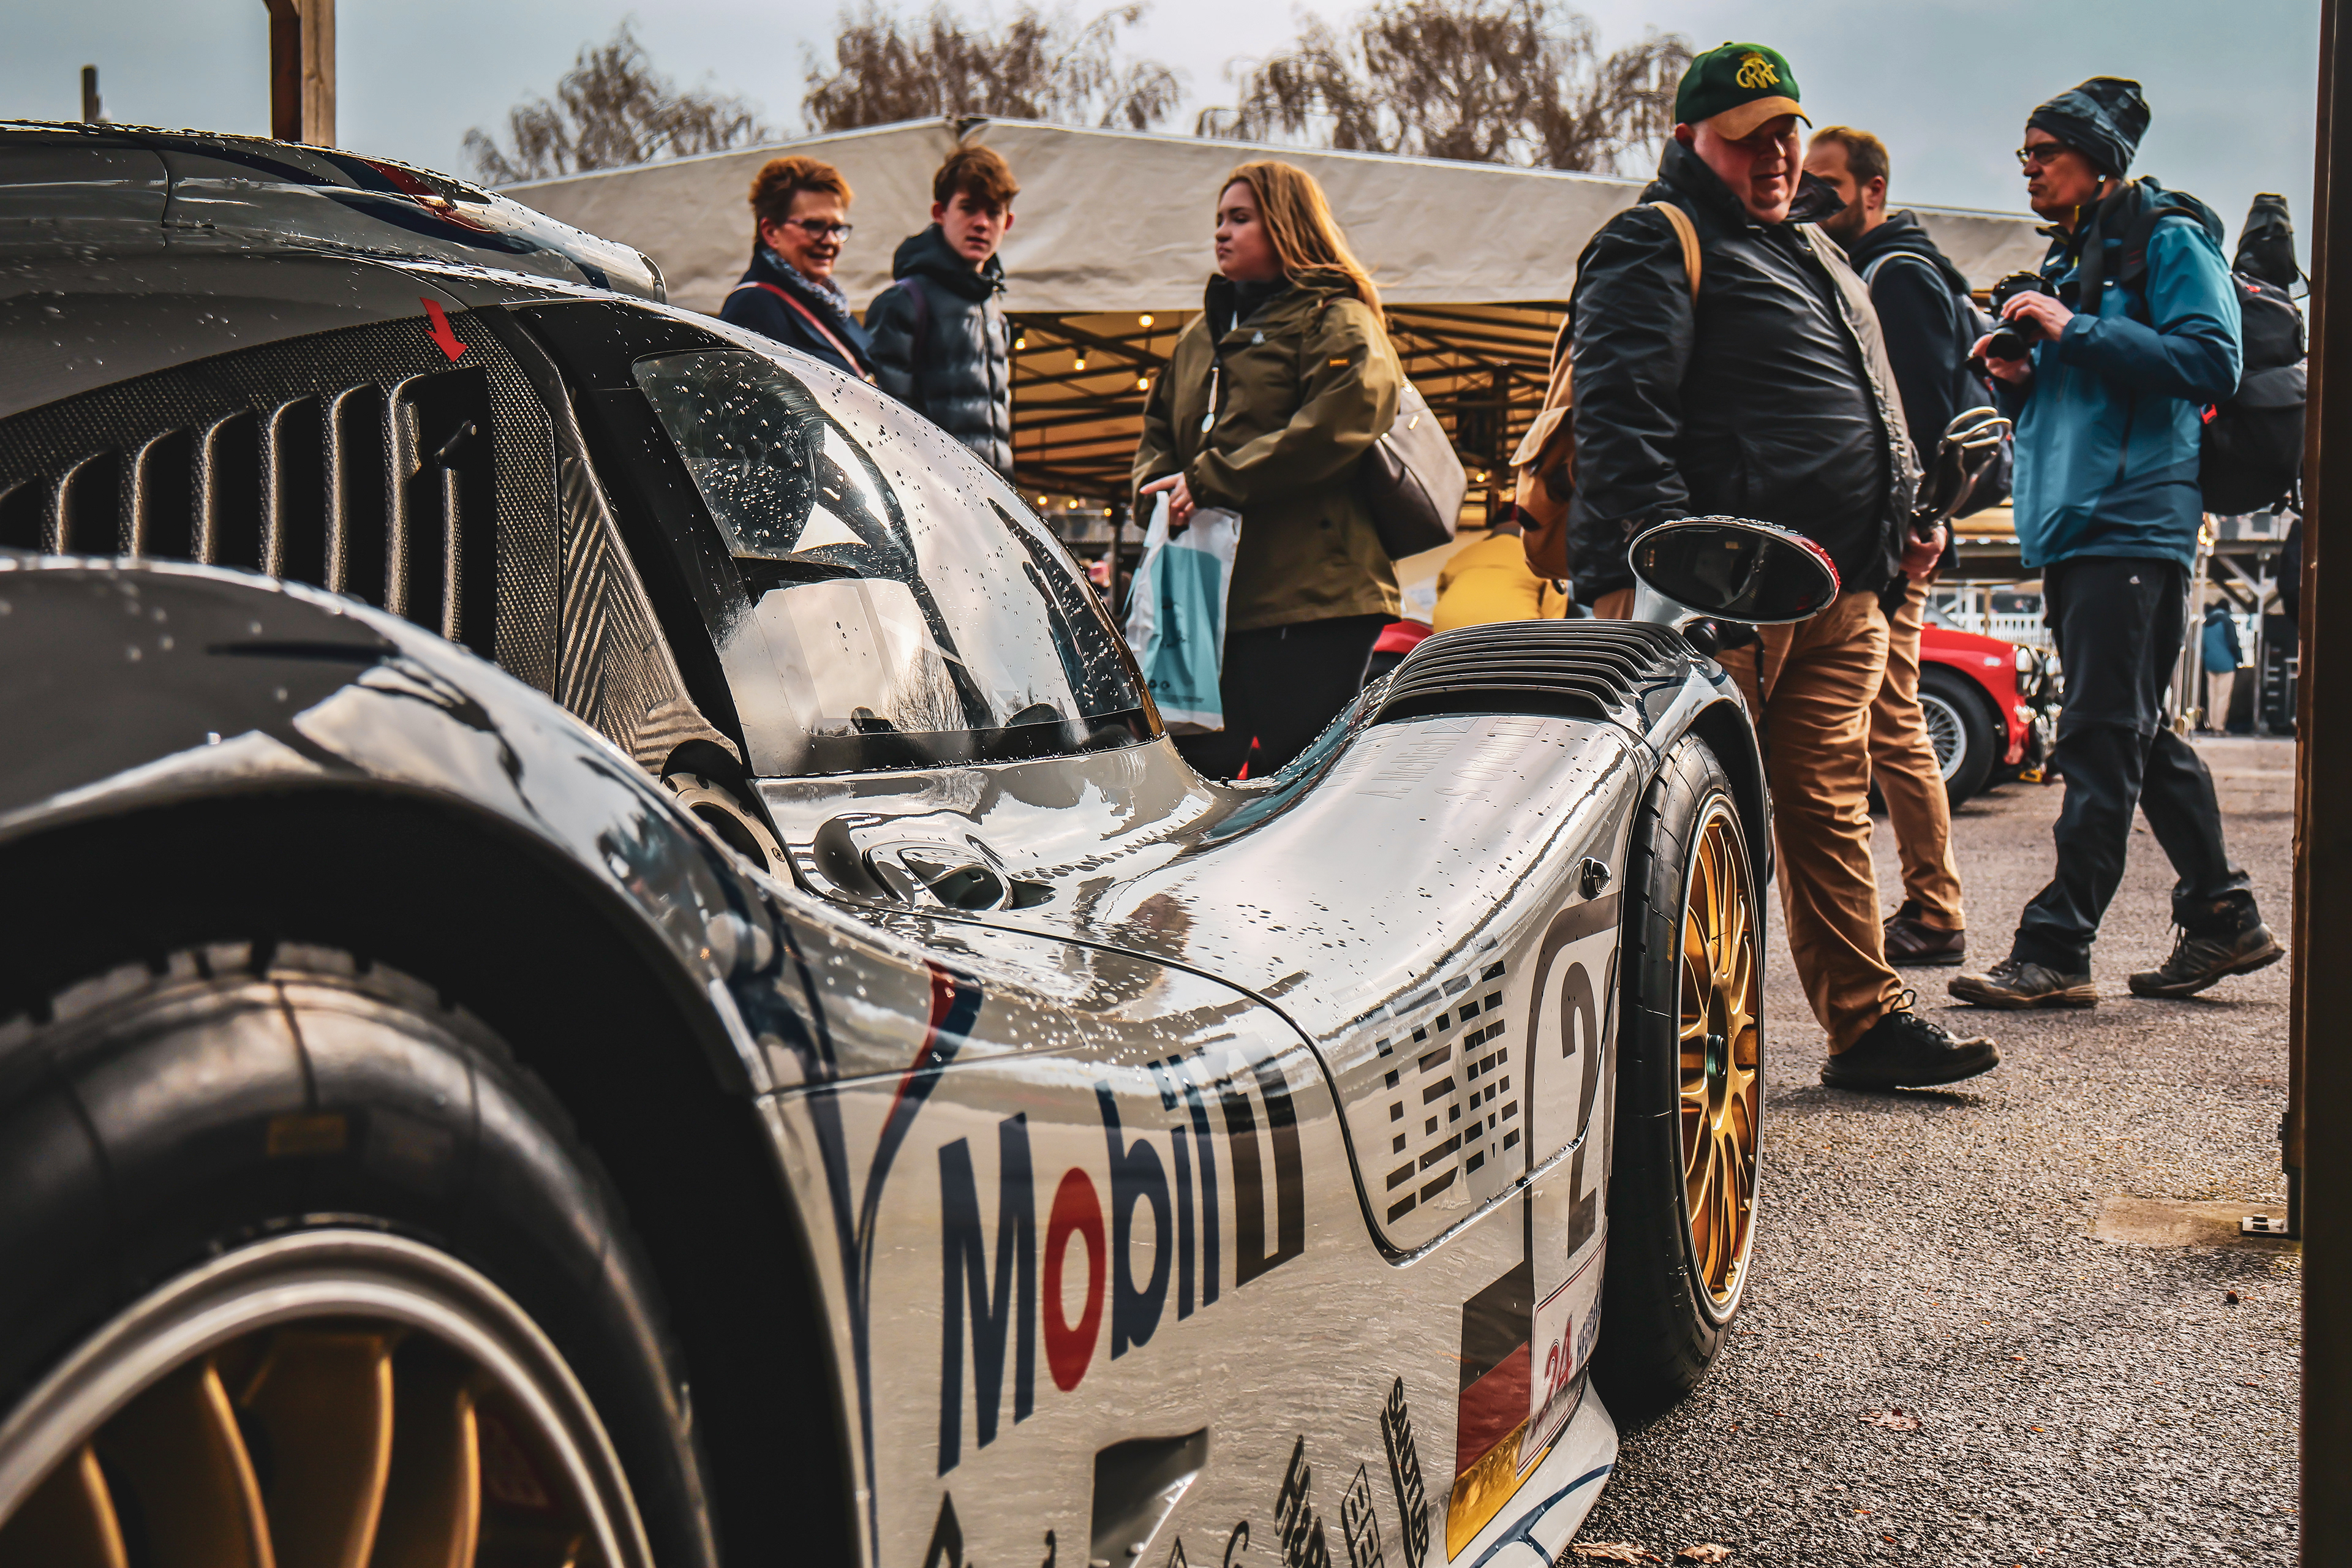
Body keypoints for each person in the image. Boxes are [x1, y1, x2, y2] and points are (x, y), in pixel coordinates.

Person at [1567, 41, 1997, 1090]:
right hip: (1722, 596)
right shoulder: (1654, 239)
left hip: (1837, 590)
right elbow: (1619, 422)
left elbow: (1876, 408)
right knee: (1681, 823)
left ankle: (1866, 1021)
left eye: (1787, 134)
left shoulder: (1813, 250)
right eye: (1748, 138)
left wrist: (1905, 524)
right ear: (1690, 139)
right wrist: (1683, 575)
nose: (1775, 155)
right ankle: (1650, 1054)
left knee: (1827, 807)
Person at [1950, 77, 2282, 1008]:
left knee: (2100, 735)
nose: (2028, 167)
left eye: (2045, 152)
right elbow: (2084, 391)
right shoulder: (2070, 260)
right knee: (2135, 729)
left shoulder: (2167, 237)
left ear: (2099, 161)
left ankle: (2057, 947)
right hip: (2075, 523)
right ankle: (2223, 916)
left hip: (2134, 522)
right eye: (2023, 153)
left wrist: (2073, 326)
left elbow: (2212, 360)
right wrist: (2021, 373)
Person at [1130, 160, 1402, 781]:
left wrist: (1210, 479)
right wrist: (1158, 489)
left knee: (1302, 780)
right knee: (1194, 776)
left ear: (1286, 224)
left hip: (1313, 601)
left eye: (1240, 218)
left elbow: (1343, 417)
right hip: (1205, 596)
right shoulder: (1197, 338)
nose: (1221, 232)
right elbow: (1156, 431)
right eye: (1219, 219)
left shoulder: (1335, 317)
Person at [1805, 124, 1981, 969]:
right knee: (1890, 715)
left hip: (1893, 544)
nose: (1812, 196)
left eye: (1829, 183)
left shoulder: (1897, 274)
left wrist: (1915, 526)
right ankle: (1931, 904)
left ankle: (1936, 909)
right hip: (1887, 536)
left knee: (1893, 717)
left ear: (1873, 189)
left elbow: (1916, 414)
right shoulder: (1872, 266)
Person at [867, 144, 1018, 475]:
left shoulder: (993, 309)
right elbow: (886, 420)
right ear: (940, 212)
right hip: (931, 493)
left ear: (1008, 222)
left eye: (994, 212)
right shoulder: (903, 302)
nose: (982, 223)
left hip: (991, 495)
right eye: (968, 208)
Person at [719, 156, 875, 380]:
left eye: (837, 228)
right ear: (771, 232)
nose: (831, 241)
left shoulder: (830, 304)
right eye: (814, 226)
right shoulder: (752, 306)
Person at [2200, 600, 2243, 733]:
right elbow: (2233, 643)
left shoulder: (2206, 623)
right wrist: (2239, 658)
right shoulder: (2227, 621)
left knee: (2212, 695)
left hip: (2209, 663)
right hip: (2226, 664)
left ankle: (2211, 724)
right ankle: (2219, 726)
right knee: (2223, 696)